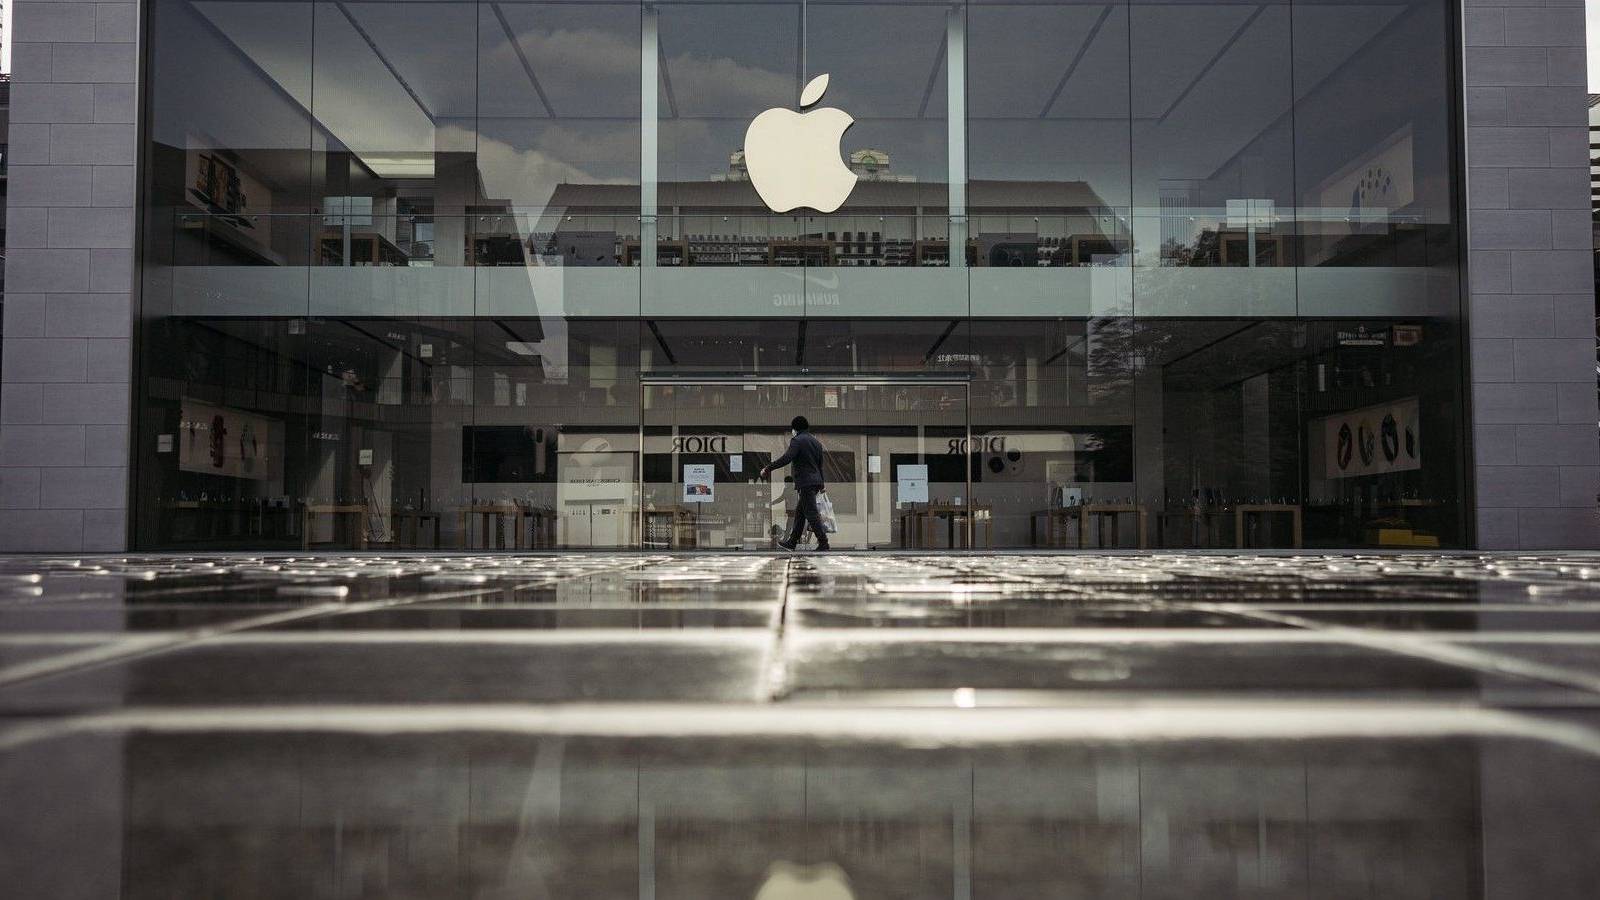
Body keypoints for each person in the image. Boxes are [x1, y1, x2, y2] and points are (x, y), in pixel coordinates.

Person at [759, 415, 829, 551]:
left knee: (811, 513)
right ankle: (792, 542)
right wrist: (821, 485)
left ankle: (823, 542)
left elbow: (787, 458)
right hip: (814, 483)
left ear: (795, 428)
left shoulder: (797, 440)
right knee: (800, 513)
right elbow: (820, 466)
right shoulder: (816, 443)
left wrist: (768, 468)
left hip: (806, 482)